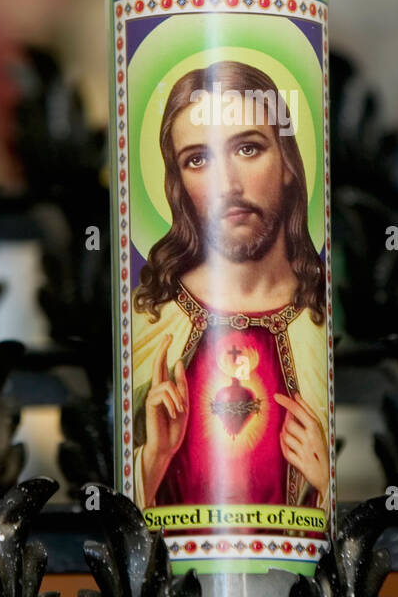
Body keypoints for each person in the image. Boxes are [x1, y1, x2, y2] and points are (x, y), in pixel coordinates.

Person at [130, 61, 329, 514]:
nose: (228, 185)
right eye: (198, 160)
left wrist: (325, 487)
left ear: (288, 164)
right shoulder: (151, 320)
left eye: (248, 149)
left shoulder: (318, 316)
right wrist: (156, 456)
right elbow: (129, 518)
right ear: (179, 185)